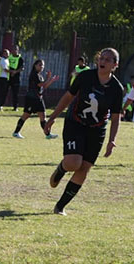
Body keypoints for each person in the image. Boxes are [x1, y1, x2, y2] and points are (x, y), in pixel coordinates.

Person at [44, 48, 124, 216]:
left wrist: (112, 140)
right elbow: (68, 97)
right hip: (76, 122)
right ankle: (61, 169)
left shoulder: (116, 88)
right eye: (102, 57)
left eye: (108, 60)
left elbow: (116, 117)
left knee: (84, 169)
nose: (103, 61)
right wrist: (52, 117)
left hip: (97, 129)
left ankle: (60, 206)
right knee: (74, 163)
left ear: (115, 65)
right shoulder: (85, 77)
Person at [12, 59, 60, 139]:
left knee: (43, 116)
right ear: (35, 65)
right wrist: (48, 78)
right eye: (40, 65)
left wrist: (51, 80)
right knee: (26, 115)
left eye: (43, 65)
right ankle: (16, 132)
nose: (42, 67)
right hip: (32, 98)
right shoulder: (34, 74)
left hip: (38, 98)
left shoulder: (39, 75)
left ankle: (48, 134)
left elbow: (44, 86)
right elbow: (41, 84)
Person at [7, 45, 24, 111]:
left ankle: (15, 107)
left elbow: (22, 68)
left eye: (15, 49)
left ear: (18, 50)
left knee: (15, 93)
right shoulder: (9, 57)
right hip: (8, 76)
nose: (14, 51)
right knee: (4, 91)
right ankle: (0, 105)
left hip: (16, 78)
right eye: (13, 49)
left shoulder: (20, 58)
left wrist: (15, 72)